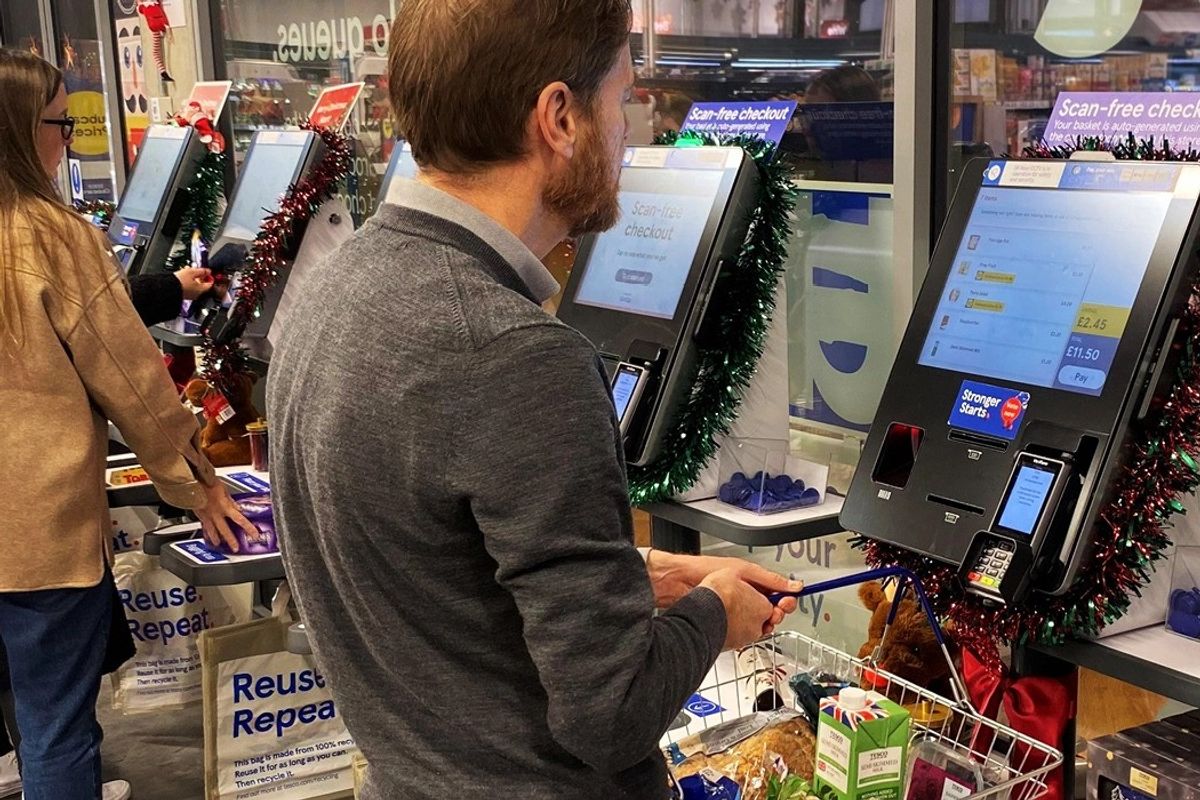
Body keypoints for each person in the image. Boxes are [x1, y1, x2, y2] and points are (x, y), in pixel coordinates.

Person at [267, 2, 801, 797]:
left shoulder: (332, 292)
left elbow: (437, 567)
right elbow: (610, 714)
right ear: (558, 116)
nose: (629, 133)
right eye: (621, 99)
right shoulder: (516, 357)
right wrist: (715, 614)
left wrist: (636, 576)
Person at [0, 49, 254, 800]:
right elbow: (132, 382)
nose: (70, 141)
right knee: (57, 732)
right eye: (62, 122)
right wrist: (198, 484)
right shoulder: (49, 238)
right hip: (33, 538)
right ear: (21, 130)